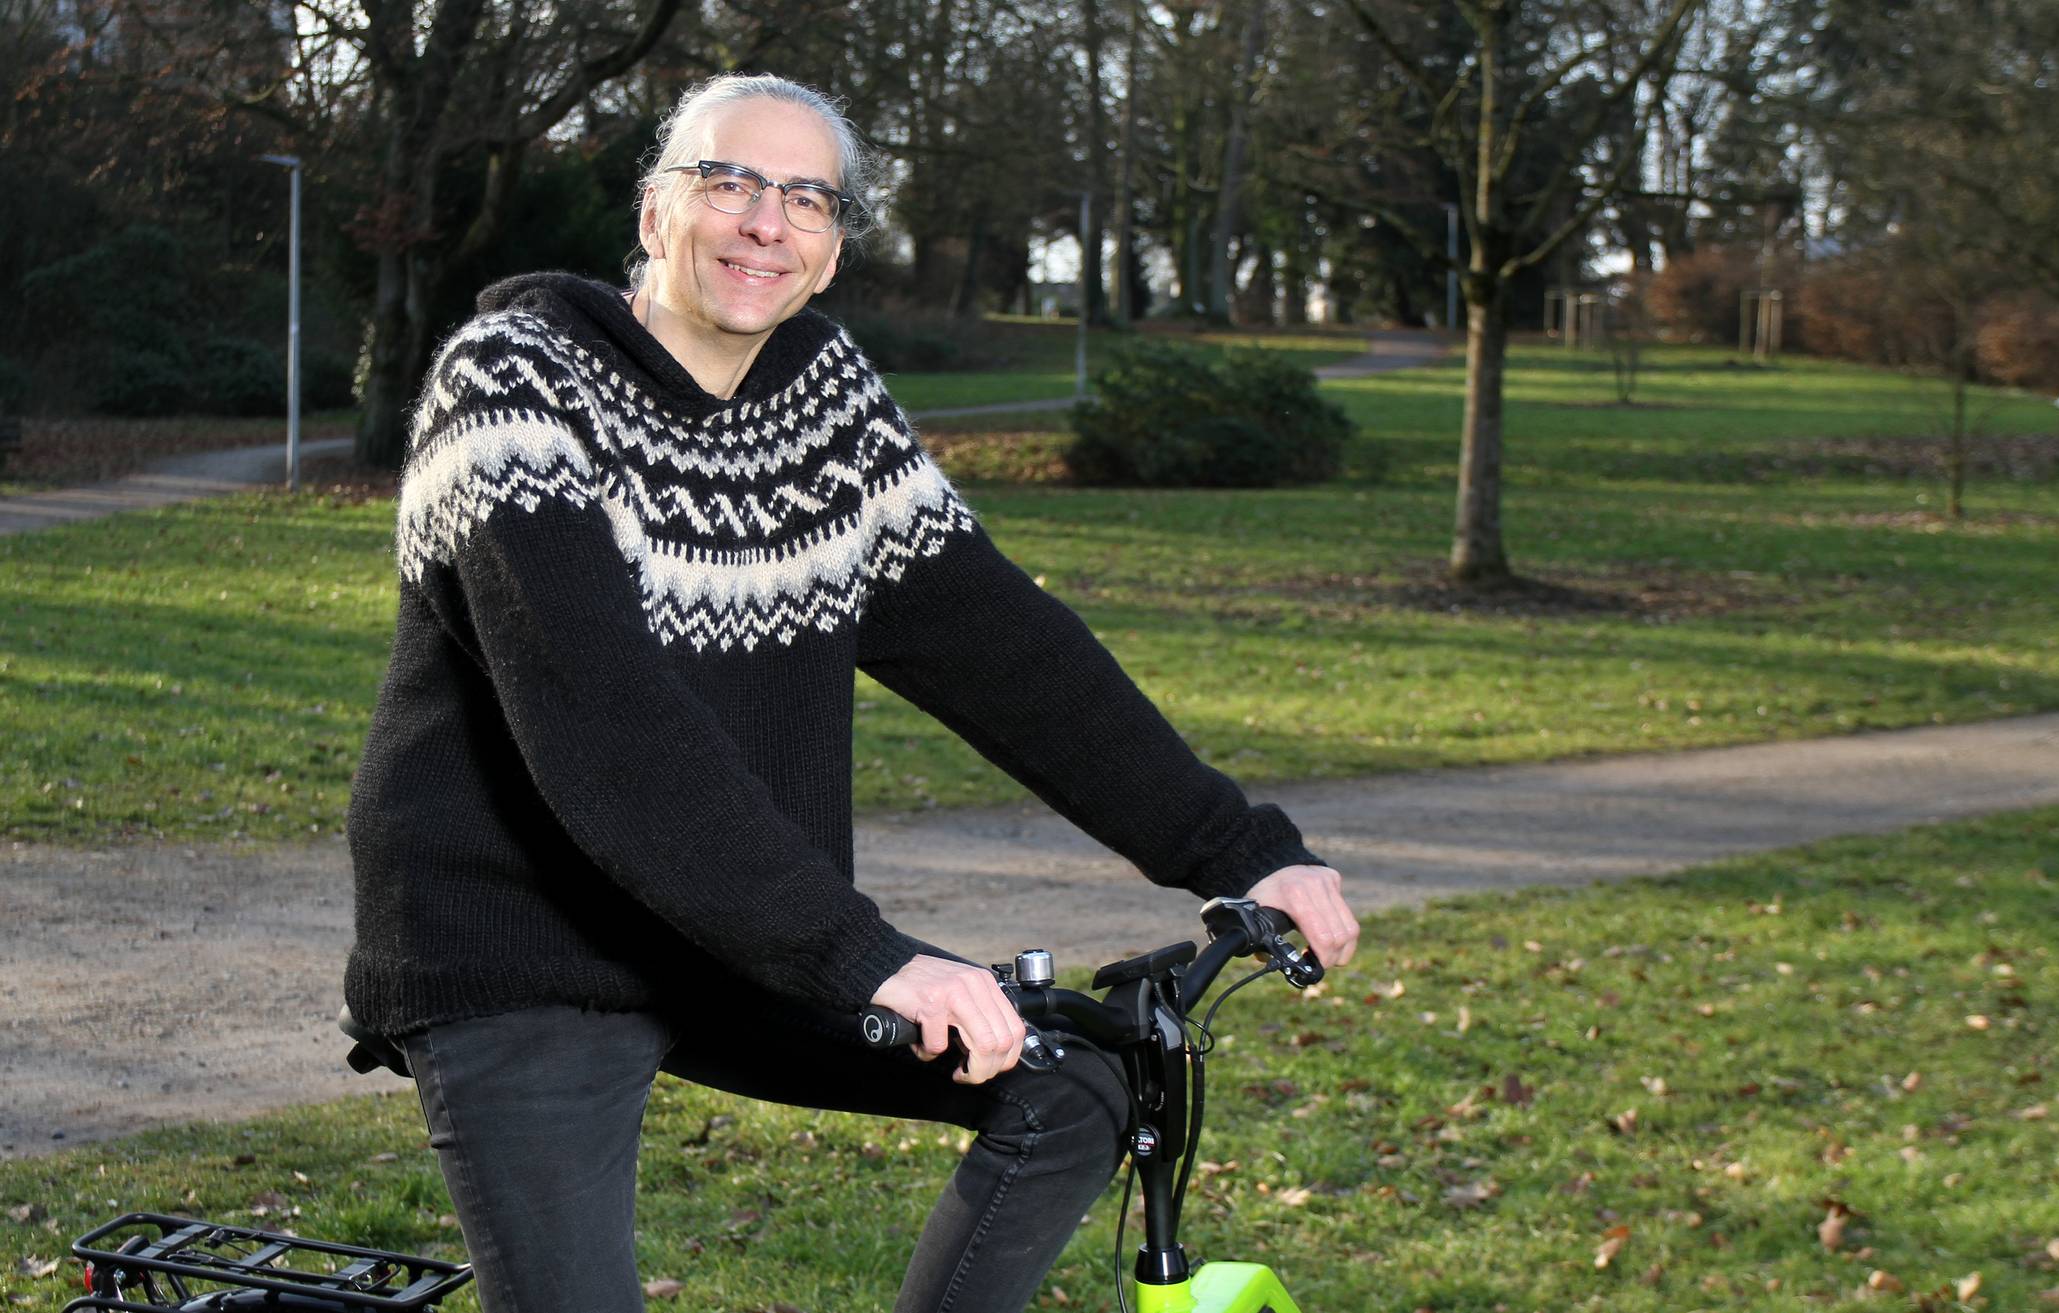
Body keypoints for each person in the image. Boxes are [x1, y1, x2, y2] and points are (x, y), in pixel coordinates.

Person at [344, 71, 1360, 1313]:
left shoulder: (823, 403)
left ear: (830, 252)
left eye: (807, 198)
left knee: (1078, 1081)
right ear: (658, 214)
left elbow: (1005, 647)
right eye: (730, 182)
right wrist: (860, 953)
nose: (766, 222)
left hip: (726, 929)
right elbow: (608, 721)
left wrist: (1238, 848)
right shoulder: (514, 378)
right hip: (525, 939)